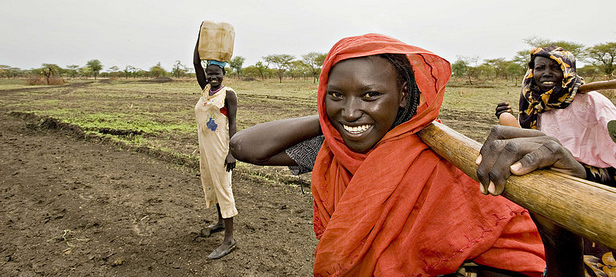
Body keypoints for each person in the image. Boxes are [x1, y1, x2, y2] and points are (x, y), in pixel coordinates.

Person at [230, 33, 585, 276]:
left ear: (403, 95)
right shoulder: (333, 150)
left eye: (370, 95)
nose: (351, 112)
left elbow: (515, 258)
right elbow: (246, 147)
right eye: (336, 93)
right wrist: (331, 115)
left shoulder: (444, 164)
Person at [493, 45, 616, 276]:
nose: (546, 73)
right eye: (540, 68)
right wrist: (504, 115)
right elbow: (526, 136)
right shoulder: (535, 102)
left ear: (568, 70)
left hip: (597, 180)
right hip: (555, 179)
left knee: (607, 253)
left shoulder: (592, 101)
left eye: (555, 67)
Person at [193, 29, 238, 260]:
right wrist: (200, 37)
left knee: (223, 187)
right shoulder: (205, 89)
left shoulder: (227, 94)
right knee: (211, 181)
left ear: (224, 73)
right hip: (205, 147)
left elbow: (233, 124)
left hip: (221, 148)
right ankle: (220, 222)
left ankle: (229, 239)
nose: (212, 77)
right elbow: (195, 63)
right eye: (210, 73)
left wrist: (232, 152)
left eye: (217, 73)